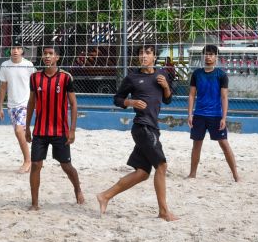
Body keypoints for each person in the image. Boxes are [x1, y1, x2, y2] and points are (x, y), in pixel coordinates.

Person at [96, 45, 178, 221]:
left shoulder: (162, 74)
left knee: (142, 173)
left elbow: (168, 99)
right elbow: (117, 99)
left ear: (154, 56)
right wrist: (131, 102)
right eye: (141, 53)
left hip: (152, 127)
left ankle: (105, 196)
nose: (143, 56)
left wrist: (166, 87)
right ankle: (164, 211)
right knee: (161, 166)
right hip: (142, 127)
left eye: (147, 53)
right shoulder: (132, 77)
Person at [24, 45, 84, 210]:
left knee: (66, 166)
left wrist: (72, 130)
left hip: (60, 131)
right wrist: (27, 127)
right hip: (40, 130)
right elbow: (31, 103)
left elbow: (73, 104)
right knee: (36, 165)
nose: (47, 56)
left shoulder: (65, 77)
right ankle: (34, 204)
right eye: (45, 54)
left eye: (51, 54)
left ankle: (77, 189)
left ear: (57, 57)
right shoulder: (35, 77)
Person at [187, 45, 239, 182]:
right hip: (199, 115)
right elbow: (192, 95)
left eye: (211, 54)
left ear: (216, 57)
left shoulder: (221, 75)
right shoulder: (197, 74)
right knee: (196, 145)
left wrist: (224, 118)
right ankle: (192, 174)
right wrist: (190, 114)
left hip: (215, 115)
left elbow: (224, 97)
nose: (208, 57)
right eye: (206, 54)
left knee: (224, 144)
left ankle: (236, 175)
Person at [0, 42, 36, 173]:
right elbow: (3, 87)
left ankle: (28, 161)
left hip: (25, 104)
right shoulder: (5, 65)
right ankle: (33, 160)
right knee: (19, 134)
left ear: (22, 51)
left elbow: (35, 85)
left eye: (18, 48)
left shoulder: (28, 65)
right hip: (11, 105)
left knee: (19, 131)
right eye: (13, 48)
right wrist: (0, 106)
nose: (15, 50)